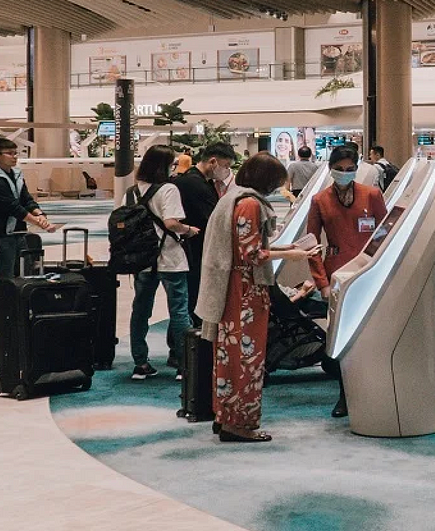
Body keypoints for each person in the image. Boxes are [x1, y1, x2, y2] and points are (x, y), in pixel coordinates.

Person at [195, 152, 319, 443]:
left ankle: (226, 416)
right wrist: (291, 253)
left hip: (232, 288)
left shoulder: (234, 198)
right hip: (246, 291)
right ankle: (241, 422)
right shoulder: (250, 204)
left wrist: (285, 246)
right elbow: (252, 254)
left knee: (228, 356)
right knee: (247, 359)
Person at [306, 145, 388, 418]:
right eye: (339, 169)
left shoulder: (372, 195)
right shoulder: (320, 200)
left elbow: (385, 234)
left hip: (368, 273)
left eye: (349, 169)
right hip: (337, 275)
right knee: (343, 338)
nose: (344, 173)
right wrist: (322, 283)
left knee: (371, 335)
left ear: (357, 168)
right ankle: (345, 394)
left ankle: (373, 391)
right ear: (330, 169)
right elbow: (311, 244)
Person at [126, 145, 200, 381]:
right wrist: (188, 230)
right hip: (170, 258)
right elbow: (171, 222)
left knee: (140, 311)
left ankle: (140, 363)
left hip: (142, 260)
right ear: (164, 165)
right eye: (172, 164)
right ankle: (184, 364)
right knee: (179, 311)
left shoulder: (132, 191)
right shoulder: (169, 189)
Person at [0, 137, 53, 331]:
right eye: (10, 153)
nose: (15, 157)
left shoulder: (17, 175)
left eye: (16, 153)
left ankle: (15, 314)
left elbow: (26, 199)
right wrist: (38, 222)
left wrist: (38, 212)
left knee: (20, 275)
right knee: (4, 277)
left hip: (18, 231)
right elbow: (12, 206)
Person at [174, 142, 235, 330]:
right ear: (213, 161)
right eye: (226, 166)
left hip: (195, 248)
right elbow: (212, 219)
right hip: (194, 249)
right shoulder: (195, 184)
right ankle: (184, 348)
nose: (226, 171)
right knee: (192, 298)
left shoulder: (198, 181)